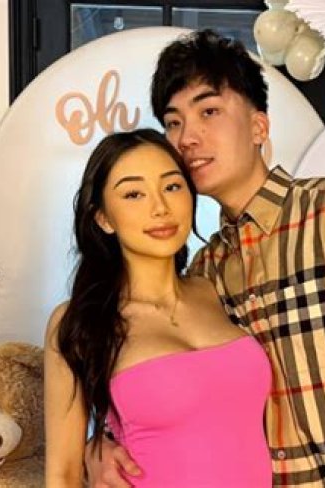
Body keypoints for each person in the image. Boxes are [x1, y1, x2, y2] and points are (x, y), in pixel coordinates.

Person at [88, 29, 325, 487]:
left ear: (259, 127)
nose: (187, 137)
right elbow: (169, 398)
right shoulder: (205, 272)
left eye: (209, 111)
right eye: (173, 123)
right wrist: (99, 443)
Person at [44, 128, 272, 487]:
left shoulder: (217, 286)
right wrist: (94, 446)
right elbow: (63, 473)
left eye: (172, 186)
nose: (160, 208)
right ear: (103, 218)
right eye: (133, 194)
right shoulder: (79, 321)